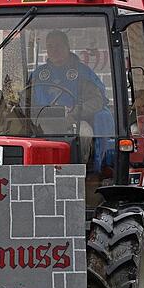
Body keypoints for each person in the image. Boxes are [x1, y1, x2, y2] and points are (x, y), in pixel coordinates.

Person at [26, 30, 115, 181]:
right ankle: (35, 177)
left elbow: (96, 101)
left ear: (67, 47)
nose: (54, 50)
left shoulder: (83, 73)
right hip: (41, 123)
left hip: (75, 121)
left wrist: (75, 112)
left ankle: (81, 176)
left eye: (58, 46)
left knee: (85, 135)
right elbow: (26, 102)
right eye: (50, 46)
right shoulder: (37, 75)